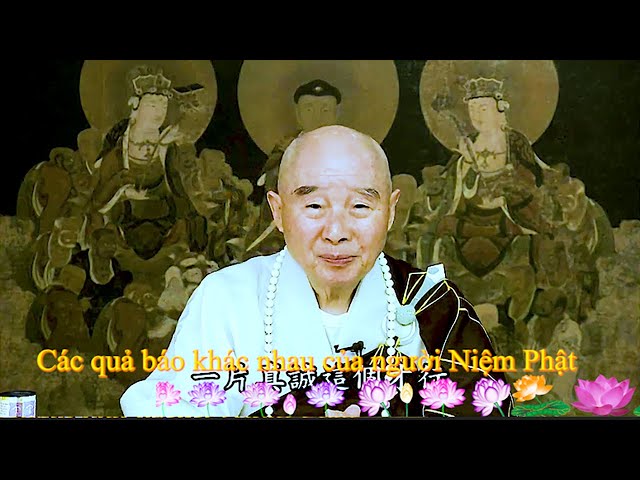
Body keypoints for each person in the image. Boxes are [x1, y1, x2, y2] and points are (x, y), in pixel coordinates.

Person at [120, 125, 513, 417]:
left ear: (391, 211)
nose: (336, 232)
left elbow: (487, 404)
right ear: (278, 211)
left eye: (361, 207)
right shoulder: (227, 298)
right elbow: (167, 408)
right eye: (313, 207)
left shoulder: (429, 303)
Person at [245, 79, 342, 255]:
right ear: (298, 113)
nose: (317, 117)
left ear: (336, 114)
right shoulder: (286, 148)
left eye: (325, 110)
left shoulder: (348, 150)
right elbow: (269, 182)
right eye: (309, 109)